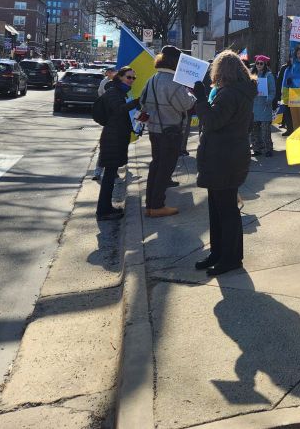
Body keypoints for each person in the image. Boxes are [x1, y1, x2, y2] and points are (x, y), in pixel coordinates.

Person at [192, 51, 257, 277]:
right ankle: (219, 252)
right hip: (229, 155)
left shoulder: (229, 94)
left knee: (226, 210)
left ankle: (230, 258)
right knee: (218, 208)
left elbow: (211, 122)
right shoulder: (240, 92)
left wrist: (201, 99)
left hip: (223, 158)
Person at [139, 46, 196, 218]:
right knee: (165, 168)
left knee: (156, 166)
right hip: (170, 130)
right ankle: (157, 205)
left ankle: (150, 205)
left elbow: (142, 101)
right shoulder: (174, 82)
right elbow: (186, 104)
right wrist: (192, 93)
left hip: (154, 129)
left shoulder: (152, 79)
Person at [93, 67, 140, 221]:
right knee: (108, 177)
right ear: (119, 77)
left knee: (110, 175)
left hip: (117, 137)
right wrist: (136, 102)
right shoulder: (113, 92)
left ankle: (106, 207)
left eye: (134, 78)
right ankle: (103, 211)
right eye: (128, 77)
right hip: (112, 138)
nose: (131, 80)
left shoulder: (119, 92)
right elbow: (119, 110)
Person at [92, 65, 119, 180]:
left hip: (119, 122)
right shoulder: (105, 82)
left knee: (118, 148)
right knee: (104, 148)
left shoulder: (120, 84)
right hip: (109, 122)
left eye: (113, 71)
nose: (111, 73)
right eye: (110, 71)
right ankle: (98, 172)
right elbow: (100, 93)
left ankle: (114, 171)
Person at [251, 55, 276, 157]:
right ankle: (256, 148)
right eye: (257, 63)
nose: (259, 65)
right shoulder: (252, 75)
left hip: (265, 105)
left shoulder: (268, 75)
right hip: (254, 106)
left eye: (261, 63)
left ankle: (268, 148)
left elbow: (272, 91)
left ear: (265, 64)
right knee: (254, 130)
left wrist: (269, 100)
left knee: (266, 130)